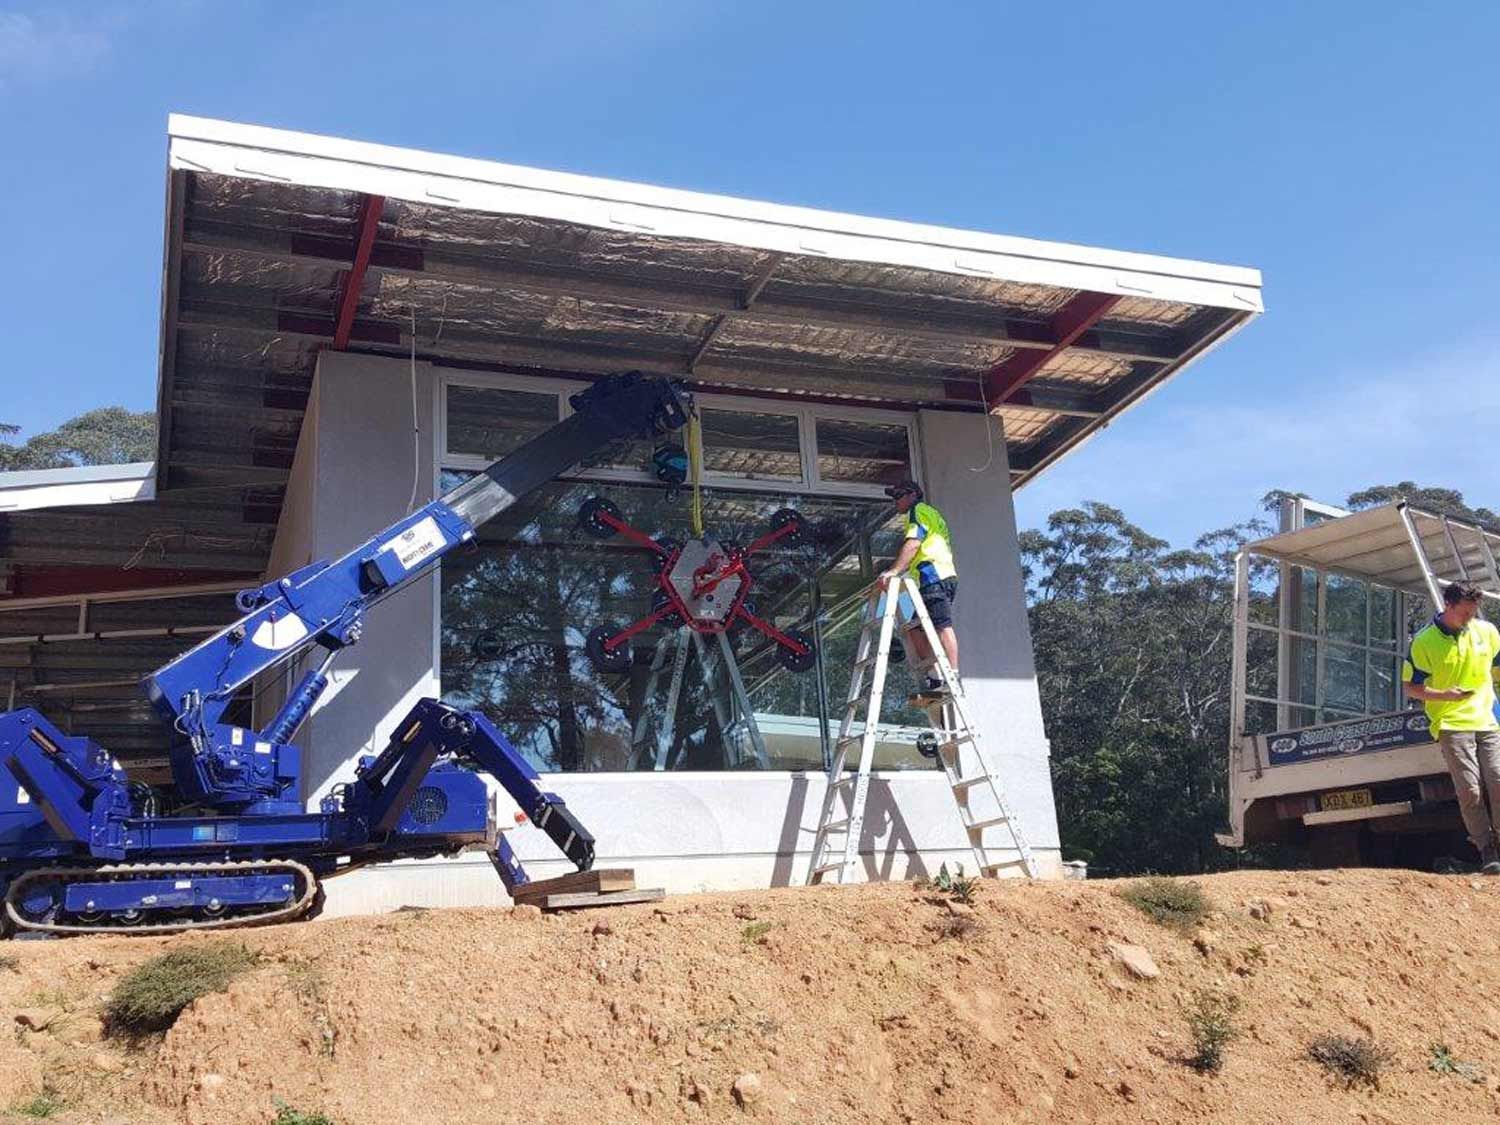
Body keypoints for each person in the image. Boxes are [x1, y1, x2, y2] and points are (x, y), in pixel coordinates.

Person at [1402, 581, 1500, 873]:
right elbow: (1410, 687)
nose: (1470, 618)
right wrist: (1444, 695)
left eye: (1473, 612)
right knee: (1470, 790)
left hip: (1487, 718)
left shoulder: (1487, 632)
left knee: (1497, 780)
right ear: (1448, 605)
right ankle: (1486, 849)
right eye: (1464, 613)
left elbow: (1497, 670)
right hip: (1451, 723)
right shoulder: (1424, 642)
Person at [879, 480, 959, 701]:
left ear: (912, 495)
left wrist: (893, 571)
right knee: (915, 629)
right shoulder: (931, 513)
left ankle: (953, 677)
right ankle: (935, 676)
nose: (895, 501)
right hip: (935, 577)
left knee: (942, 626)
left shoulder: (918, 511)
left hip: (934, 576)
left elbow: (914, 544)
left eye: (898, 496)